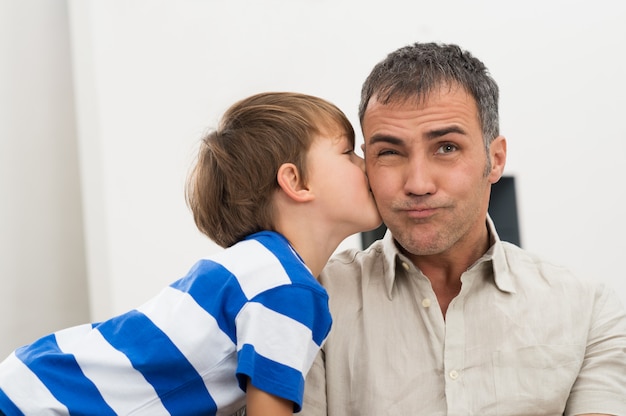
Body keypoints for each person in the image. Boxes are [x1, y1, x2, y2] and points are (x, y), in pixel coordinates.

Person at [0, 92, 381, 416]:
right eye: (348, 153)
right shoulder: (287, 288)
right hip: (49, 402)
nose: (369, 166)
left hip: (34, 382)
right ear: (295, 181)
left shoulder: (257, 265)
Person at [301, 42, 626, 415]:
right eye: (390, 152)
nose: (418, 183)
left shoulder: (587, 311)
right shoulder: (312, 298)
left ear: (496, 158)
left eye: (446, 148)